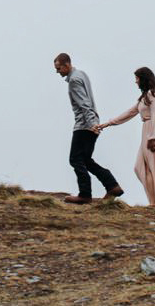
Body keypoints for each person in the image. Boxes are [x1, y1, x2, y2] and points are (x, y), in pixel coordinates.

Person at [94, 66, 155, 213]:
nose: (135, 82)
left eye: (137, 79)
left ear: (143, 79)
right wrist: (107, 124)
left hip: (153, 133)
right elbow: (129, 113)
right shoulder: (144, 97)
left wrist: (154, 137)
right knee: (140, 168)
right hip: (146, 132)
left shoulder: (152, 94)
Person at [53, 53, 124, 205]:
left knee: (75, 159)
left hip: (84, 125)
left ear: (66, 65)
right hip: (91, 123)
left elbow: (84, 104)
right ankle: (112, 186)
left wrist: (92, 124)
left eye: (59, 68)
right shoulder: (81, 74)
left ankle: (85, 195)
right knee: (86, 160)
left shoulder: (74, 80)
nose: (57, 72)